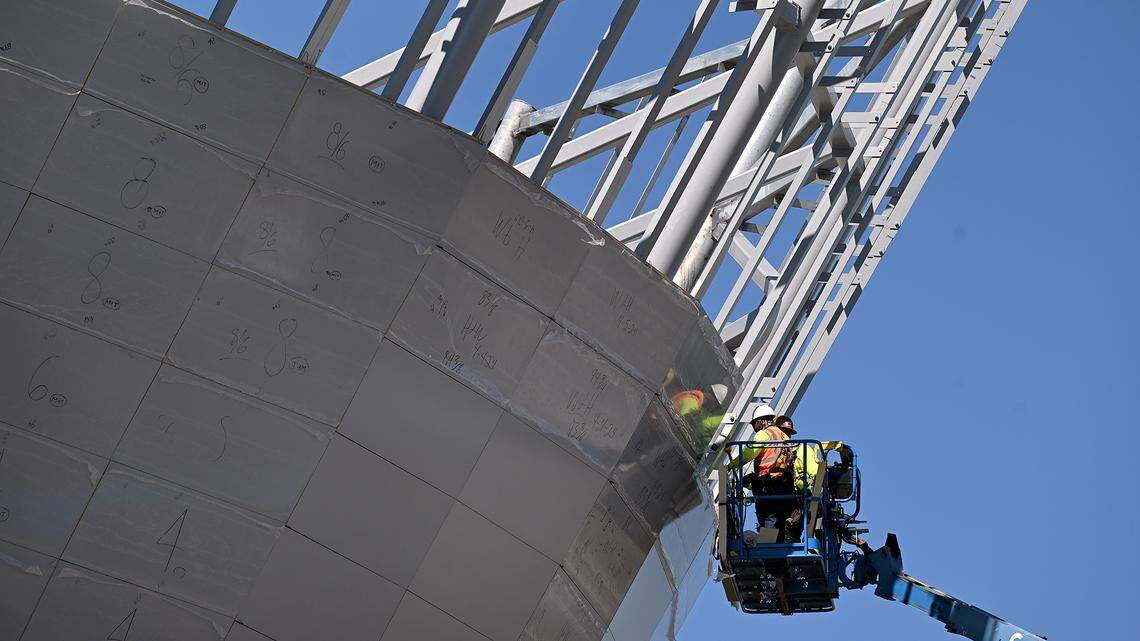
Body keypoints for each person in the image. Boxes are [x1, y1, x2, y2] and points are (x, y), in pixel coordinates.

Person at [728, 405, 797, 539]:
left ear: (760, 421)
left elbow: (750, 453)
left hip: (770, 483)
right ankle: (781, 544)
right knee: (781, 517)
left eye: (755, 424)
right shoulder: (783, 435)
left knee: (768, 517)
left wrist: (732, 465)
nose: (755, 427)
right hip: (786, 483)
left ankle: (768, 543)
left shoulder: (764, 434)